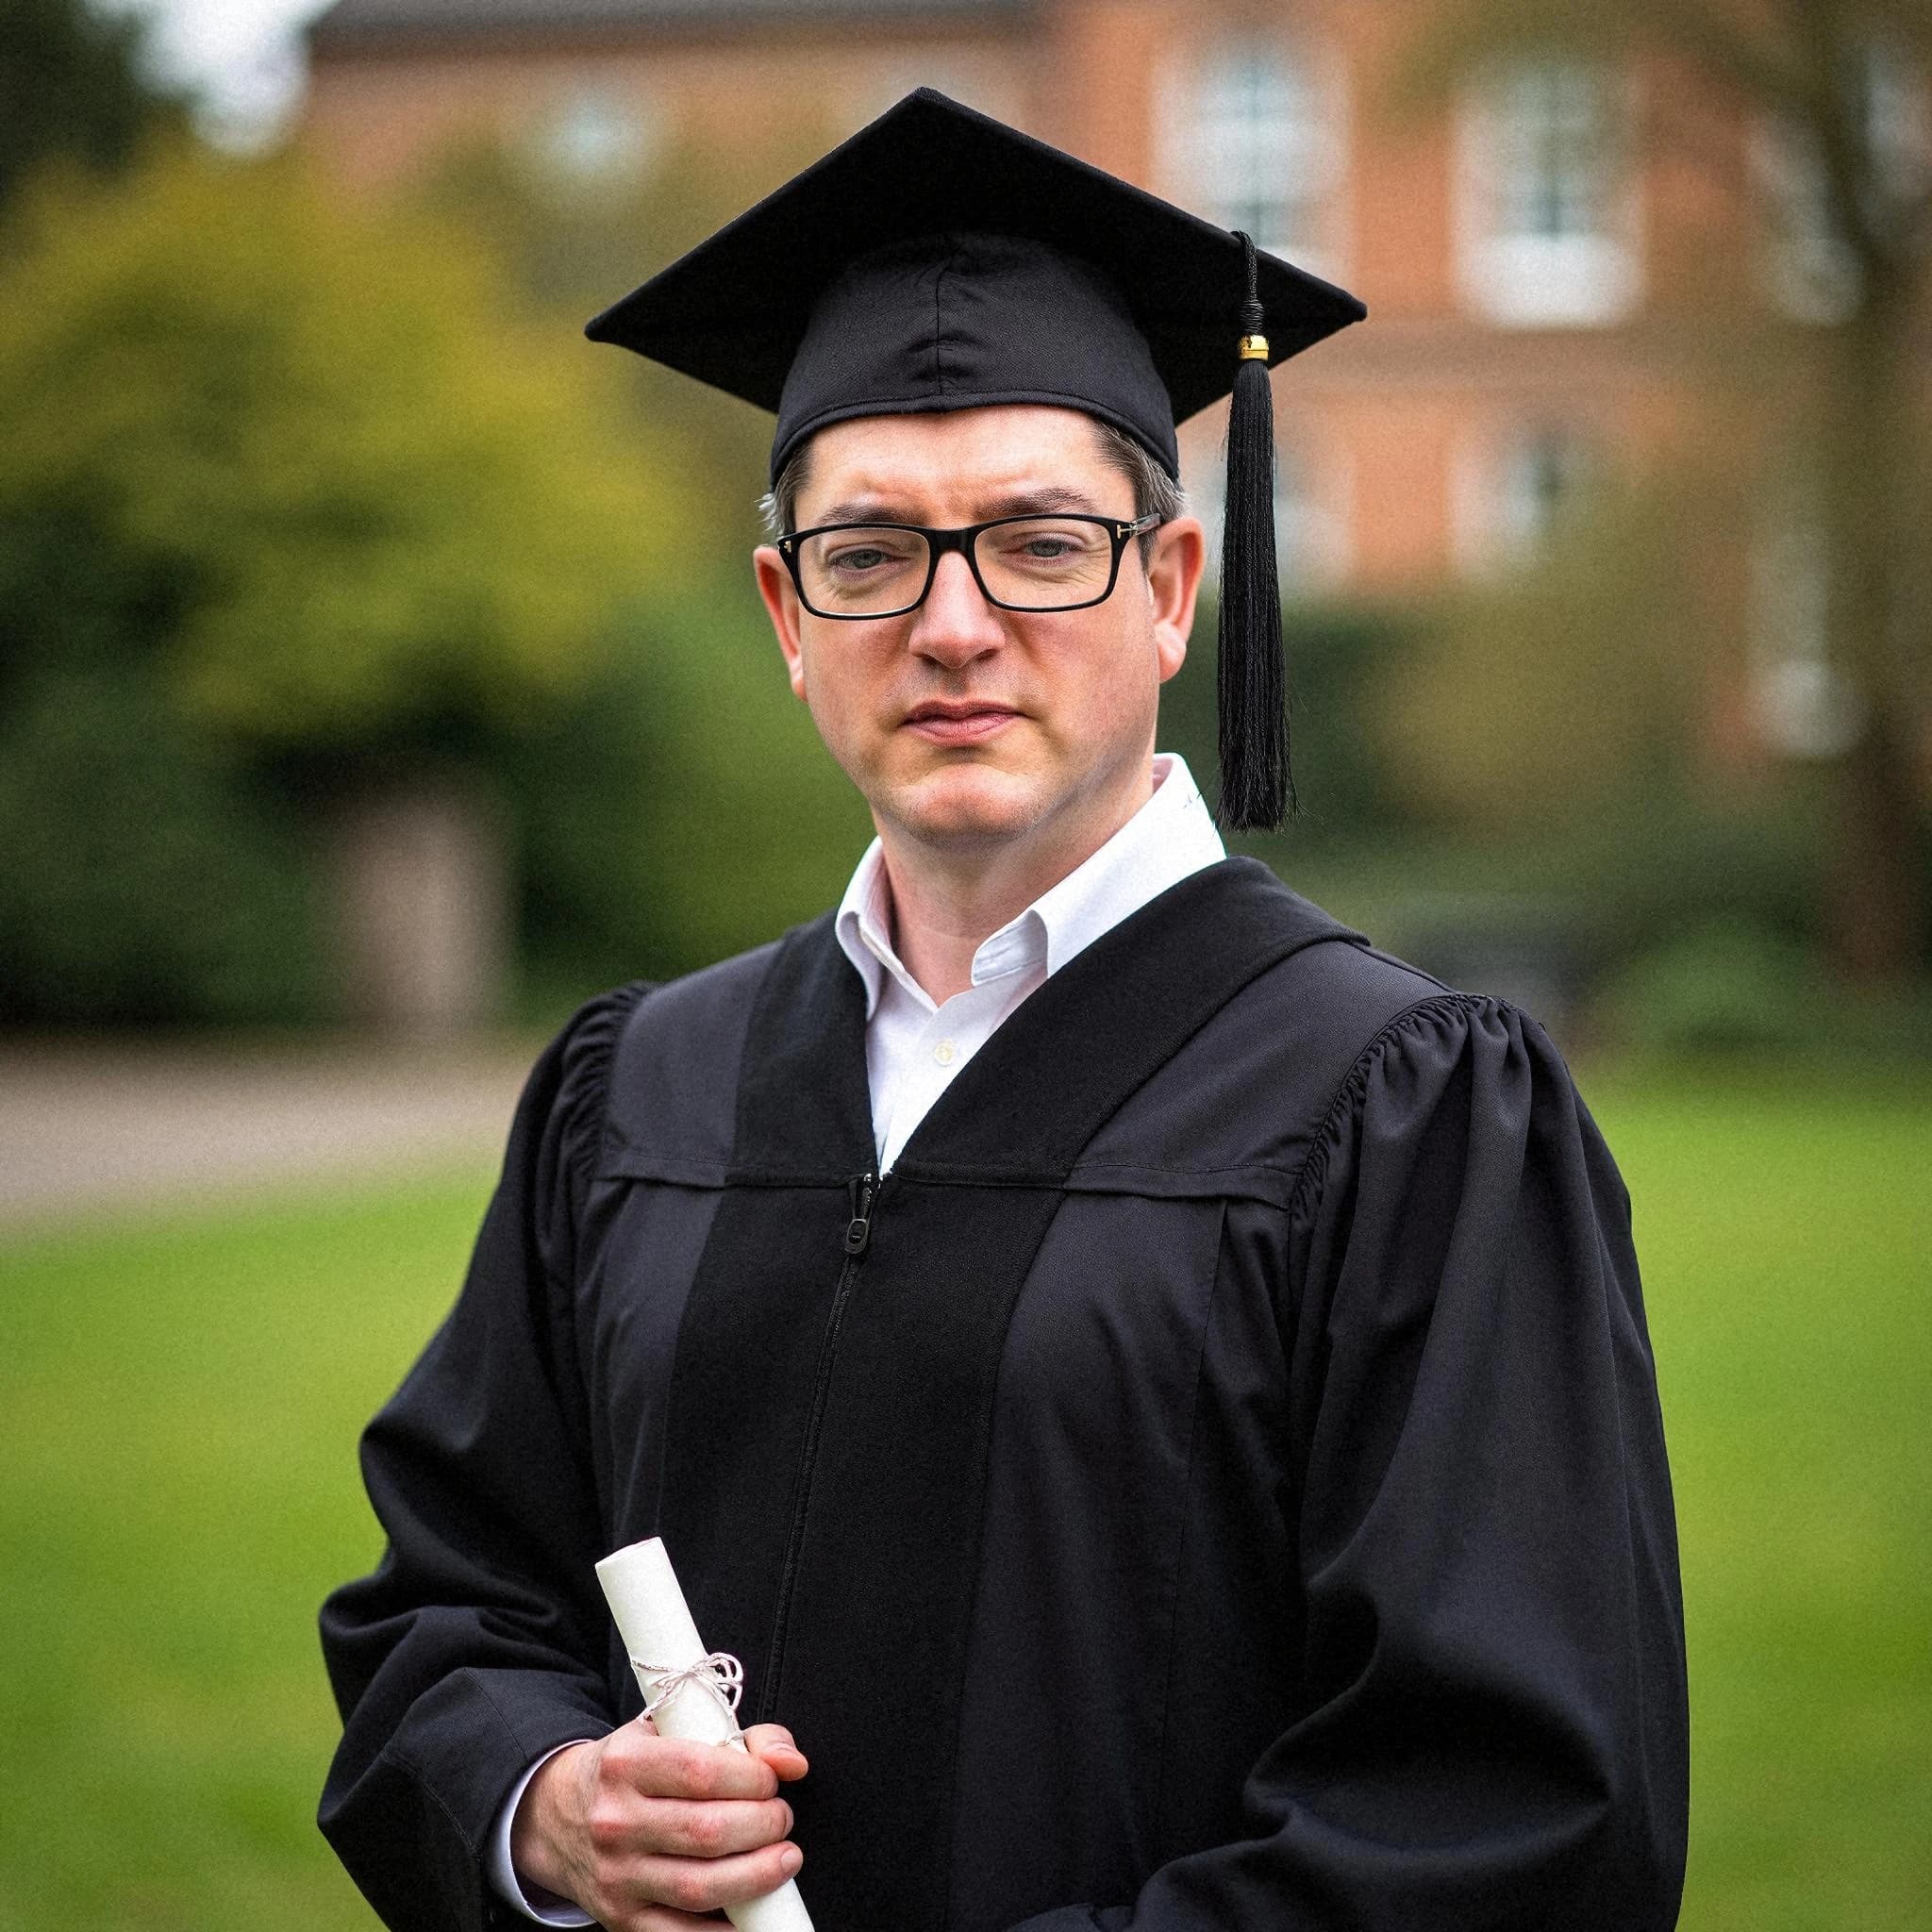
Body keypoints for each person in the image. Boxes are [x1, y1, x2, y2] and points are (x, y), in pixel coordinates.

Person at [319, 90, 1688, 1932]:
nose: (951, 625)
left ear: (1172, 588)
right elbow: (448, 1600)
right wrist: (541, 1804)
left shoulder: (1400, 1111)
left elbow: (1512, 1812)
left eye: (1041, 540)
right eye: (869, 553)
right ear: (784, 613)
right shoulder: (634, 1091)